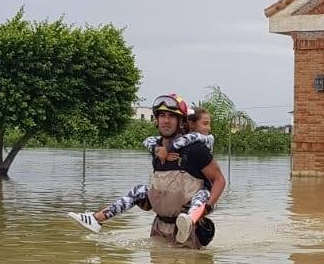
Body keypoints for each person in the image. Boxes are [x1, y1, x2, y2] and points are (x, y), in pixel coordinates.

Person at [67, 94, 226, 246]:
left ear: (181, 122)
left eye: (171, 116)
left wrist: (207, 208)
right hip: (159, 229)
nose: (166, 121)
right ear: (156, 120)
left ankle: (189, 221)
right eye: (162, 116)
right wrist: (150, 201)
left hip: (189, 234)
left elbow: (219, 180)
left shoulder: (196, 149)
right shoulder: (155, 150)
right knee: (139, 191)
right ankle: (96, 219)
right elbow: (164, 189)